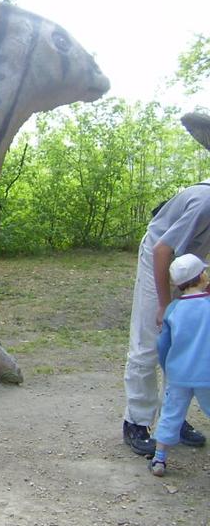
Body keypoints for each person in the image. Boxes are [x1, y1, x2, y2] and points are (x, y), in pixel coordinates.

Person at [122, 182, 210, 456]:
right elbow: (161, 250)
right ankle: (136, 423)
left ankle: (173, 417)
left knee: (182, 344)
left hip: (190, 265)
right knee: (149, 338)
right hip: (157, 256)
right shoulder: (205, 202)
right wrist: (164, 305)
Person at [149, 253, 210, 476]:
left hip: (178, 374)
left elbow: (163, 344)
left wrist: (168, 367)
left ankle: (159, 459)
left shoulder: (173, 309)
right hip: (206, 374)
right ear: (201, 277)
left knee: (171, 414)